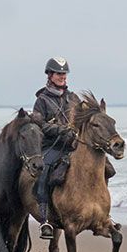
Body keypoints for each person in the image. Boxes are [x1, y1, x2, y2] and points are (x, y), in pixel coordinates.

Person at [32, 57, 80, 240]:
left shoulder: (73, 98)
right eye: (59, 73)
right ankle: (45, 219)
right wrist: (60, 130)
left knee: (102, 167)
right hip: (52, 146)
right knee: (44, 171)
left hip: (72, 145)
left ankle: (102, 212)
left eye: (64, 73)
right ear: (50, 75)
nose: (62, 76)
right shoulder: (42, 100)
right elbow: (39, 124)